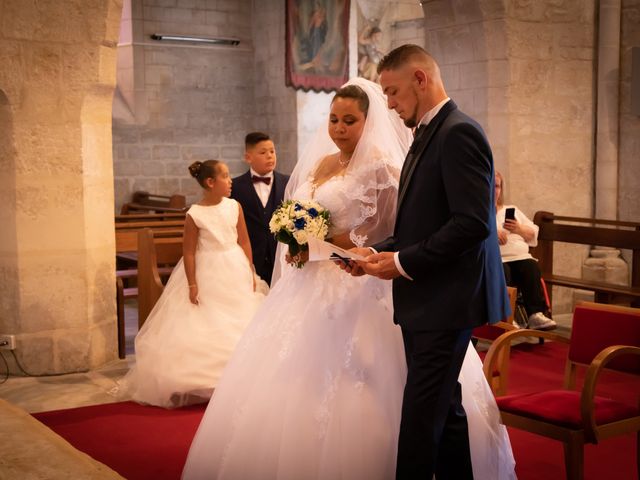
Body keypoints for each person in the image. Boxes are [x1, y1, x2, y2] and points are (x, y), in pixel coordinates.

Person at [182, 78, 515, 479]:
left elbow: (398, 227)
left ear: (368, 120)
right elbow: (305, 212)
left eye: (349, 120)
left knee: (387, 383)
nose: (338, 128)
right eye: (334, 119)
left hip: (366, 281)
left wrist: (330, 239)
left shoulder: (384, 165)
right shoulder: (321, 164)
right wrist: (297, 237)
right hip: (311, 283)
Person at [350, 44, 512, 479]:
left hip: (448, 300)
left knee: (421, 415)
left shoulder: (459, 131)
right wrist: (379, 250)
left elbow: (472, 224)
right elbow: (422, 220)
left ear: (420, 79)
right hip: (428, 298)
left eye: (393, 91)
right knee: (446, 406)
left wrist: (401, 263)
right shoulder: (426, 132)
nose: (388, 103)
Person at [116, 160, 266, 408]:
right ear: (210, 182)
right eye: (225, 176)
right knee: (210, 320)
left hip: (235, 266)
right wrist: (193, 284)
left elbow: (245, 241)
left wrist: (250, 270)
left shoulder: (233, 206)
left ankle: (242, 376)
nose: (231, 181)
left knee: (242, 316)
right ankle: (209, 381)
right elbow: (189, 252)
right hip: (209, 270)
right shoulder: (194, 214)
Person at [495, 171, 556, 330]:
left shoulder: (512, 209)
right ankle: (506, 316)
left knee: (531, 266)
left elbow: (533, 234)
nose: (494, 190)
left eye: (497, 186)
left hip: (519, 258)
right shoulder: (479, 212)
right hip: (497, 259)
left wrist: (518, 228)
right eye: (490, 185)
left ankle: (535, 315)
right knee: (503, 270)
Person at [230, 132, 289, 285]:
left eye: (272, 151)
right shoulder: (235, 187)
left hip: (281, 258)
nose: (270, 156)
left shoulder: (288, 182)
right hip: (250, 259)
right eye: (263, 152)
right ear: (248, 157)